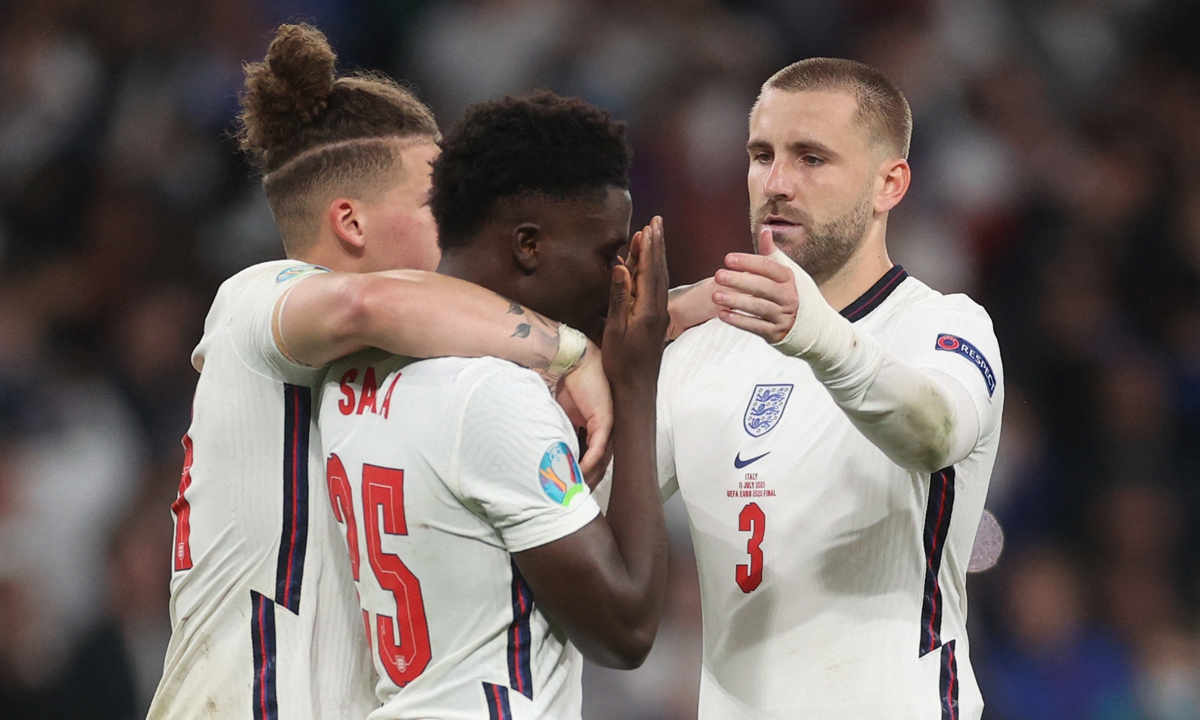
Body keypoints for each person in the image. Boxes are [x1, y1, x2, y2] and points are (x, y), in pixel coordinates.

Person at [147, 26, 615, 720]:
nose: (460, 224)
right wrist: (570, 351)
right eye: (437, 205)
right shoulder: (256, 301)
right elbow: (369, 302)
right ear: (352, 224)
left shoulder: (413, 360)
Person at [656, 58, 1005, 718]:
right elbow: (578, 503)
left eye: (812, 158)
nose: (777, 183)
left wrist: (818, 337)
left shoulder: (943, 326)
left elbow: (934, 432)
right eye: (763, 156)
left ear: (889, 185)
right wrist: (617, 347)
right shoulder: (701, 353)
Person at [317, 92, 670, 720]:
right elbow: (626, 628)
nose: (621, 274)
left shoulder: (353, 369)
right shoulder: (491, 393)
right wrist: (636, 386)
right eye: (606, 252)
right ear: (528, 245)